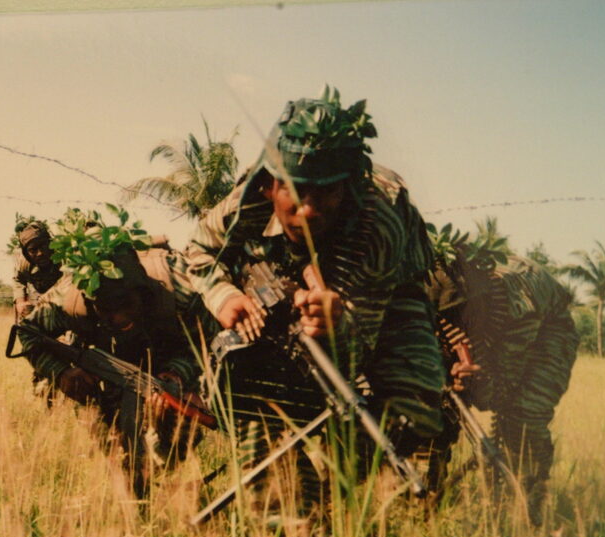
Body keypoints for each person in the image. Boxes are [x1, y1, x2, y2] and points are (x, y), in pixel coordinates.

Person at [185, 87, 445, 511]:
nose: (308, 210)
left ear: (346, 189)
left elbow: (358, 348)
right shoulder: (244, 203)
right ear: (269, 186)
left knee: (408, 414)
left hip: (388, 295)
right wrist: (224, 295)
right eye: (296, 190)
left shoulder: (376, 225)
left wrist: (336, 323)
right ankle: (291, 508)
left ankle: (350, 494)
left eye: (325, 193)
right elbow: (198, 249)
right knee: (255, 385)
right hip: (277, 282)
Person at [18, 243, 207, 498]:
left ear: (142, 293)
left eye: (125, 305)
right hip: (103, 373)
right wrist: (61, 373)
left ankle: (158, 484)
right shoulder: (68, 300)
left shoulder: (181, 291)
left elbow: (209, 345)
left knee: (173, 445)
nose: (118, 318)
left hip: (166, 369)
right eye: (106, 309)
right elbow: (27, 332)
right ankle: (133, 498)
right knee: (119, 453)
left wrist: (178, 374)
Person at [426, 246, 578, 522]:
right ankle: (428, 497)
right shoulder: (432, 302)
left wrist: (472, 380)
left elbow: (497, 396)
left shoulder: (515, 311)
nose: (456, 321)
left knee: (523, 416)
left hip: (549, 328)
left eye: (460, 313)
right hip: (505, 318)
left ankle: (527, 506)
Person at [11, 219, 63, 320]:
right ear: (27, 254)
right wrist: (20, 302)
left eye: (43, 246)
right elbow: (18, 280)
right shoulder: (25, 263)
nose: (40, 253)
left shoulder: (62, 259)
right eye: (33, 250)